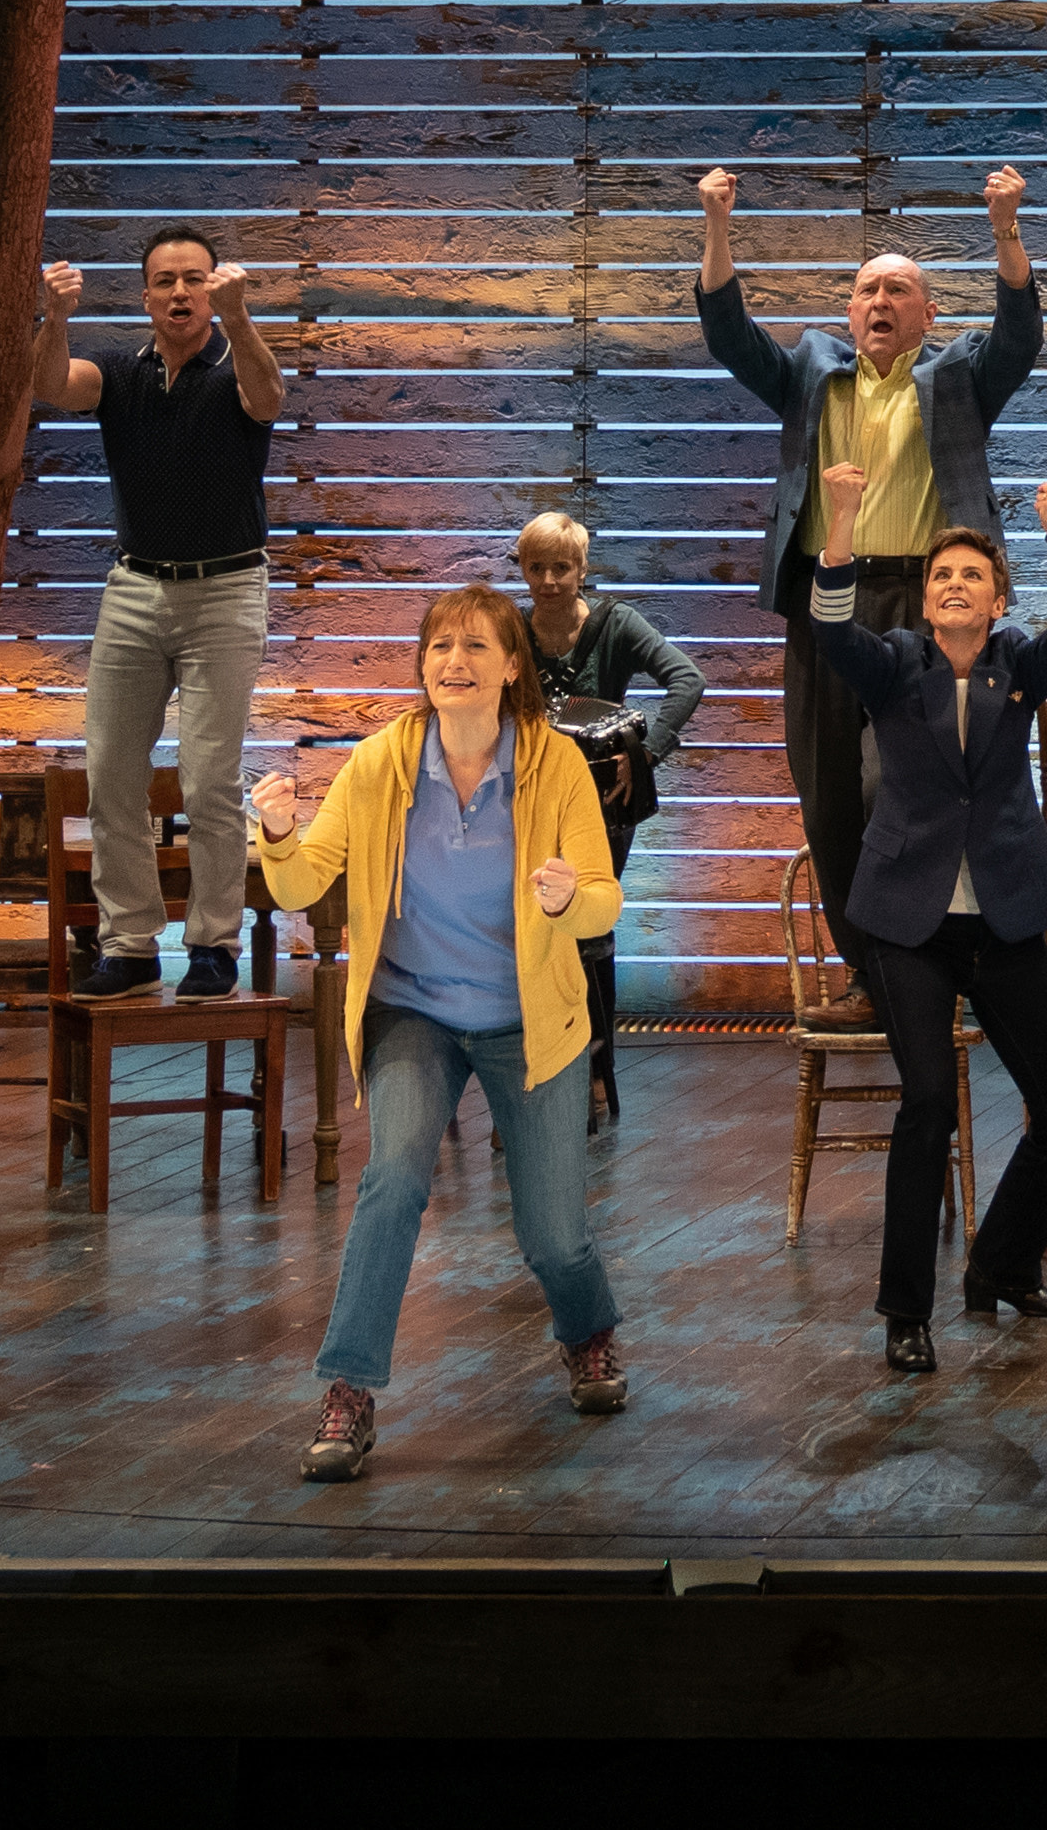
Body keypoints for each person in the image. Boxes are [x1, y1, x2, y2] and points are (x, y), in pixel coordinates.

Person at [252, 578, 633, 1470]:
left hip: (528, 1020)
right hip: (412, 1011)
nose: (453, 662)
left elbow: (605, 904)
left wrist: (570, 896)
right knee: (390, 1179)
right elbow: (305, 884)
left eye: (473, 648)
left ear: (511, 668)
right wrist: (276, 833)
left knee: (552, 1234)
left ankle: (588, 1332)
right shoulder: (383, 762)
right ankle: (348, 1391)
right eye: (438, 647)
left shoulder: (554, 763)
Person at [803, 482, 1047, 1373]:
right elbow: (828, 630)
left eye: (972, 573)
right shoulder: (894, 664)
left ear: (997, 599)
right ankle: (905, 1311)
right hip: (908, 924)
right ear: (928, 597)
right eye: (942, 575)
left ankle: (1002, 1267)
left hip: (1005, 918)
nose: (954, 584)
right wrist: (846, 524)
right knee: (929, 1101)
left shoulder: (1019, 665)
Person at [695, 161, 1039, 912]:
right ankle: (865, 969)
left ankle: (919, 954)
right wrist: (718, 226)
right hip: (829, 599)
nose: (879, 301)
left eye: (897, 290)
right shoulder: (809, 375)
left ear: (928, 313)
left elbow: (1021, 332)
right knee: (825, 789)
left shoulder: (958, 377)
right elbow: (728, 335)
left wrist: (1004, 228)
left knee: (909, 782)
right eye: (866, 291)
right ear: (849, 313)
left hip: (922, 605)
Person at [36, 227, 292, 999]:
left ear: (213, 290)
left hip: (225, 587)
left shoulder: (233, 360)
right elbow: (54, 385)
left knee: (208, 777)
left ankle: (213, 943)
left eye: (193, 280)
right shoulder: (120, 370)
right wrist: (54, 318)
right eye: (163, 281)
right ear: (144, 296)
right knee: (112, 772)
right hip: (135, 588)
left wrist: (241, 319)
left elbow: (269, 397)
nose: (179, 293)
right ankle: (130, 943)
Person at [515, 508, 704, 1126]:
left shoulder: (616, 624)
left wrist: (646, 750)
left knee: (589, 932)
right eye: (537, 567)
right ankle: (533, 1070)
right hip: (526, 802)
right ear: (522, 568)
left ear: (582, 569)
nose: (549, 580)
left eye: (562, 568)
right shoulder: (511, 630)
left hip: (601, 806)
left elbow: (687, 678)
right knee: (528, 928)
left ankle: (596, 1071)